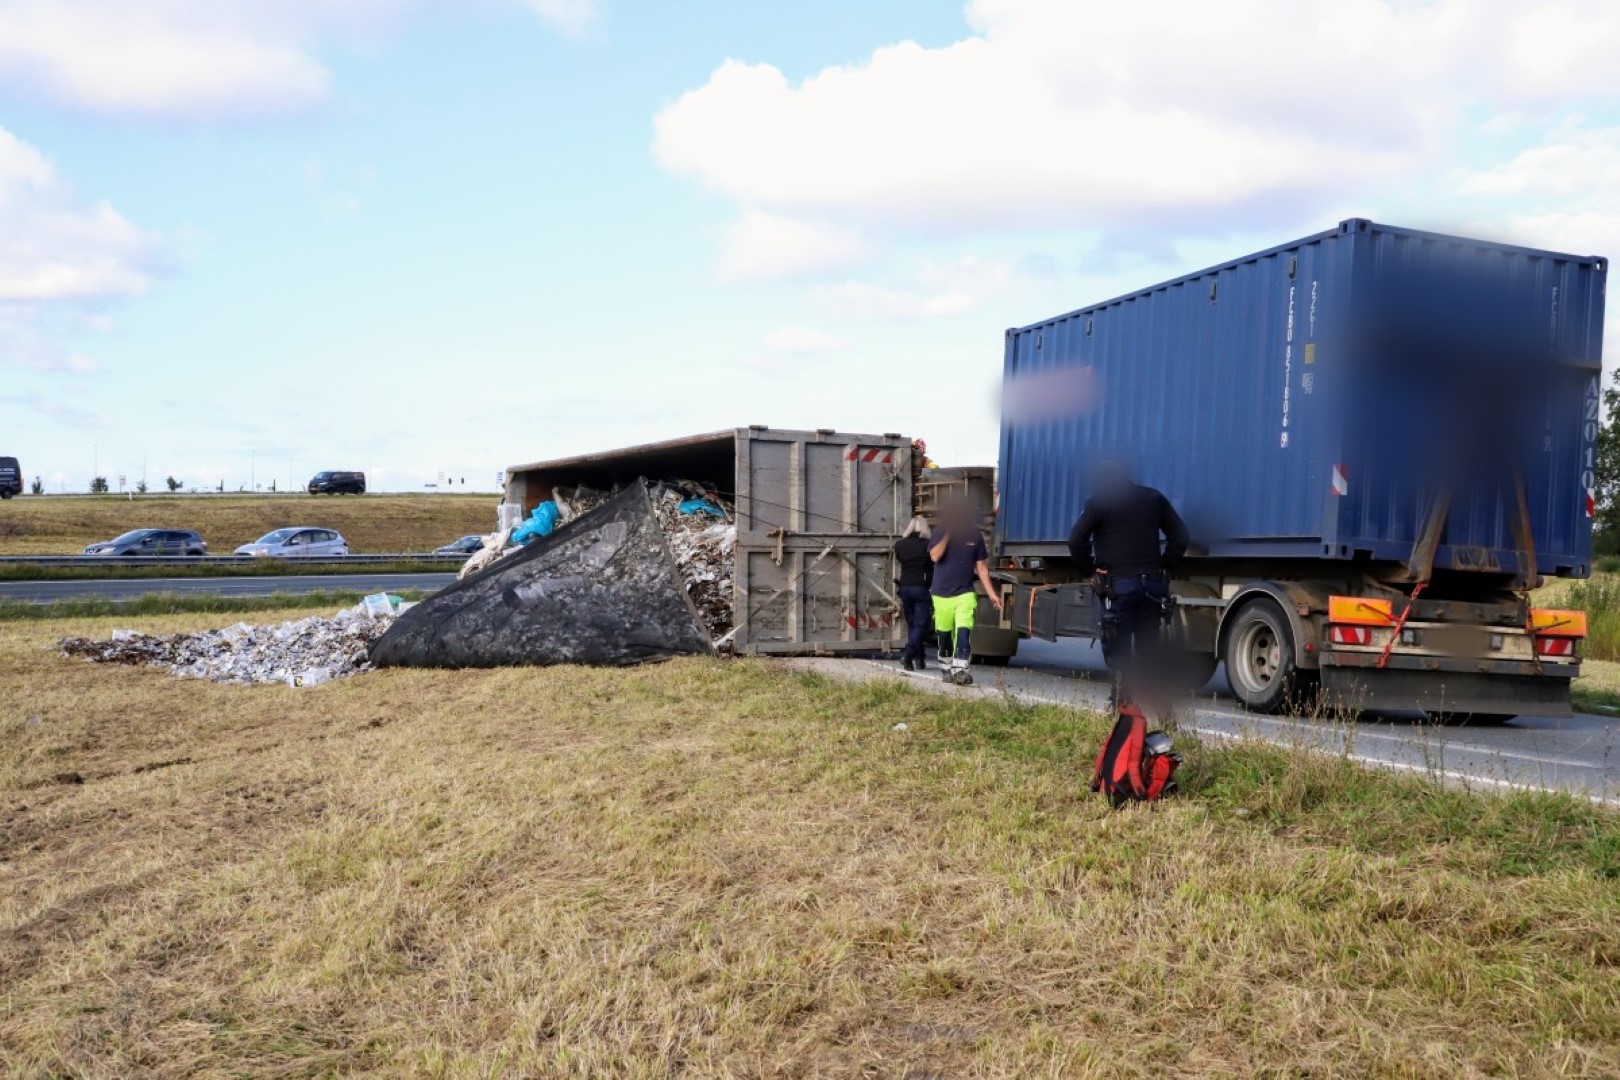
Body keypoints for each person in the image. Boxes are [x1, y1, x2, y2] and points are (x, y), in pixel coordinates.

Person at [1067, 461, 1190, 705]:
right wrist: (1165, 564)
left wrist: (1090, 569)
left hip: (1118, 589)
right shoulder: (1154, 498)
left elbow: (1075, 540)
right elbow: (1181, 536)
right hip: (1153, 589)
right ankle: (1165, 717)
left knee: (1118, 652)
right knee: (1149, 654)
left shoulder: (1100, 502)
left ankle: (1121, 713)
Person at [929, 498, 1004, 685]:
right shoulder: (939, 532)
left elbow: (982, 568)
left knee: (963, 631)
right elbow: (935, 556)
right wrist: (948, 535)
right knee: (944, 634)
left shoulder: (975, 536)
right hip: (941, 593)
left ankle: (961, 670)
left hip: (965, 592)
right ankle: (946, 667)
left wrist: (993, 594)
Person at [893, 515, 935, 671]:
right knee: (921, 624)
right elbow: (934, 562)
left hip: (905, 587)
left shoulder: (900, 545)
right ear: (925, 528)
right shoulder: (929, 545)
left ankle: (919, 659)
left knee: (912, 624)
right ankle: (908, 655)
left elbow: (900, 560)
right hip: (922, 588)